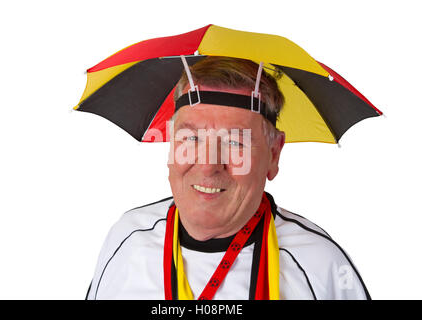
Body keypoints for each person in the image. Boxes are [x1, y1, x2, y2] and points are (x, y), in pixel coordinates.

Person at [85, 56, 371, 300]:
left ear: (274, 154)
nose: (209, 166)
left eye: (235, 142)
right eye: (191, 138)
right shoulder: (126, 239)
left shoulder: (322, 267)